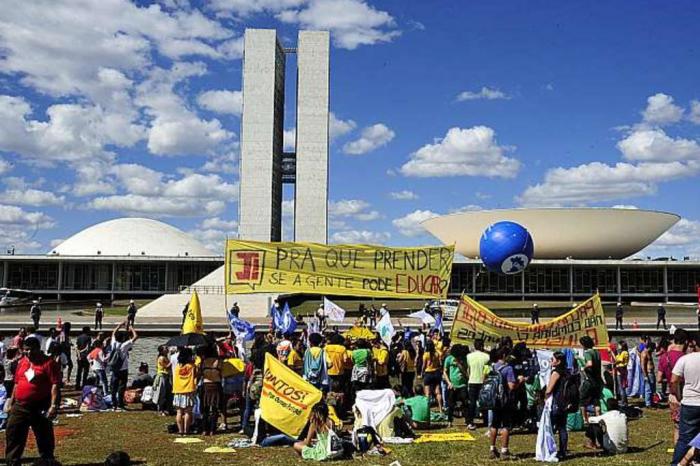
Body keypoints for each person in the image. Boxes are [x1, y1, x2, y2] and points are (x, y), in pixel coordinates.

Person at [4, 337, 61, 466]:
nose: (28, 353)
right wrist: (10, 401)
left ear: (38, 349)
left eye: (31, 350)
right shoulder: (22, 362)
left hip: (40, 405)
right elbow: (17, 383)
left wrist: (53, 405)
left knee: (44, 437)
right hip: (20, 405)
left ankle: (47, 461)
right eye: (26, 350)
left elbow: (55, 385)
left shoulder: (48, 363)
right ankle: (12, 462)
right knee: (13, 433)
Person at [489, 347, 525, 460]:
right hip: (505, 400)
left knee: (494, 425)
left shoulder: (493, 367)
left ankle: (492, 449)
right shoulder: (508, 368)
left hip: (494, 399)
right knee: (505, 425)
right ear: (504, 355)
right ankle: (504, 450)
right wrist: (520, 380)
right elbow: (511, 386)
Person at [670, 340, 700, 466]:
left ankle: (677, 463)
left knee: (685, 438)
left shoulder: (685, 359)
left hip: (690, 401)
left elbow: (673, 380)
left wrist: (677, 395)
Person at [545, 351, 569, 460]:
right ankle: (563, 450)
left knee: (551, 427)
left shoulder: (556, 373)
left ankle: (551, 449)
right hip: (564, 402)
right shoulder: (567, 371)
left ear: (558, 361)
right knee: (562, 427)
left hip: (556, 402)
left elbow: (549, 389)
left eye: (552, 359)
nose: (550, 361)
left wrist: (544, 396)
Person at [109, 322, 138, 411]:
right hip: (123, 368)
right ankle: (120, 404)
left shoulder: (113, 343)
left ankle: (114, 404)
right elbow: (136, 336)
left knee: (113, 387)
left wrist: (119, 325)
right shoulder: (124, 346)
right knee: (122, 387)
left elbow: (113, 333)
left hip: (114, 368)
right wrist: (131, 328)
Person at [172, 347, 197, 436]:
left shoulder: (178, 367)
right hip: (188, 390)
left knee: (179, 412)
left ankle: (180, 430)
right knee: (187, 412)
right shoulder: (192, 366)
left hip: (178, 390)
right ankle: (186, 430)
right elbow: (195, 376)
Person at [466, 339, 489, 429]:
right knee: (484, 402)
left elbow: (468, 369)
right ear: (482, 346)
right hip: (482, 381)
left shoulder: (469, 356)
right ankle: (486, 420)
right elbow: (486, 370)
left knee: (472, 402)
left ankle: (470, 421)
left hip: (472, 381)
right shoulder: (486, 356)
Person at [443, 344, 468, 427]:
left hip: (462, 385)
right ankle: (450, 421)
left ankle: (467, 420)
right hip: (452, 385)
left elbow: (466, 373)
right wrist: (449, 382)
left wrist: (458, 364)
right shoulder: (448, 359)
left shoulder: (464, 359)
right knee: (451, 404)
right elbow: (444, 372)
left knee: (465, 403)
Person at [579, 335, 603, 423]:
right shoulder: (597, 352)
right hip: (597, 380)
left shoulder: (588, 353)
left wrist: (583, 367)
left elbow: (589, 363)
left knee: (582, 399)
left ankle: (585, 419)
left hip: (589, 380)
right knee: (596, 400)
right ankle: (598, 417)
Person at [201, 345, 222, 436]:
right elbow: (222, 373)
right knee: (214, 408)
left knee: (205, 408)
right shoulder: (218, 362)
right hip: (216, 384)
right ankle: (213, 429)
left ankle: (205, 429)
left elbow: (200, 373)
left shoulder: (204, 362)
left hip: (206, 385)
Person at [422, 339, 443, 412]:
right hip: (436, 373)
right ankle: (440, 408)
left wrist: (422, 372)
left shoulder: (425, 354)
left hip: (428, 373)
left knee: (427, 393)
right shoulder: (437, 353)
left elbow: (424, 365)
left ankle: (427, 410)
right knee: (438, 392)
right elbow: (440, 364)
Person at [641, 339, 657, 408]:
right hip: (648, 373)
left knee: (653, 388)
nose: (653, 350)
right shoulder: (645, 353)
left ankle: (651, 401)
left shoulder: (649, 353)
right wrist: (645, 375)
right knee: (648, 388)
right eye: (653, 349)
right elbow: (643, 365)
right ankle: (648, 403)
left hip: (651, 372)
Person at [614, 341, 629, 407]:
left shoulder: (624, 352)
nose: (618, 346)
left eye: (619, 345)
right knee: (621, 387)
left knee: (622, 387)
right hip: (619, 370)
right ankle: (624, 401)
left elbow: (619, 360)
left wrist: (614, 362)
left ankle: (624, 402)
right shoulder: (621, 353)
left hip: (621, 371)